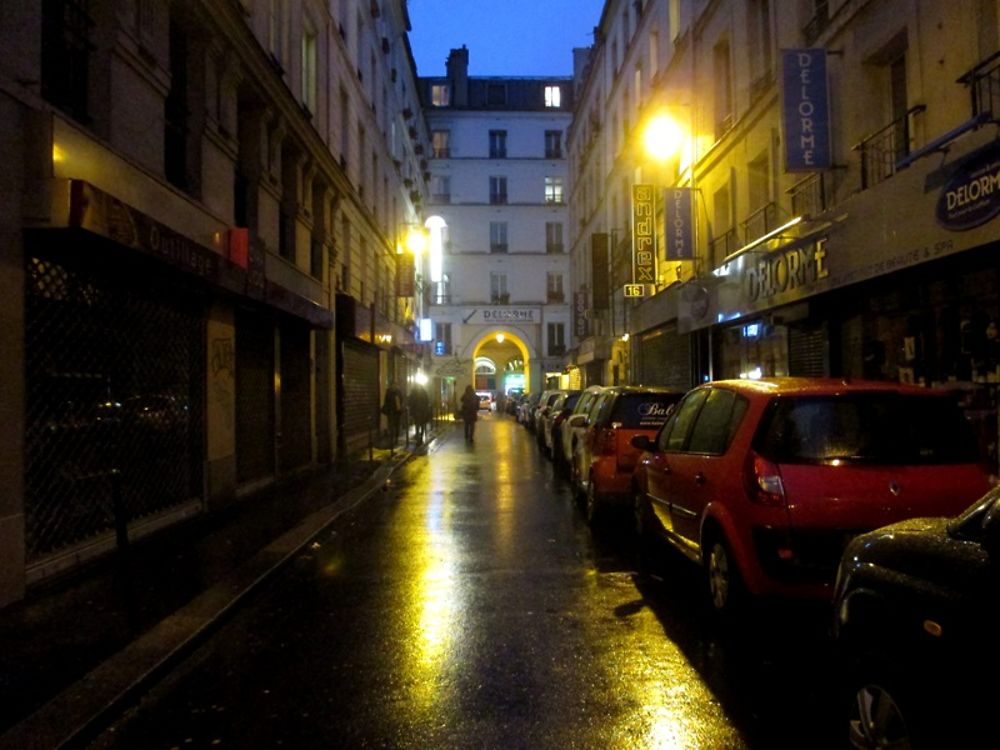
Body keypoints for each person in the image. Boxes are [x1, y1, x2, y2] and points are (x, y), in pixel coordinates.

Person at [381, 380, 403, 446]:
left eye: (395, 385)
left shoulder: (397, 392)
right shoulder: (390, 392)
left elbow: (401, 400)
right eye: (393, 385)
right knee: (391, 425)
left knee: (396, 426)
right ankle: (392, 438)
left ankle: (395, 438)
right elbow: (386, 401)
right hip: (391, 411)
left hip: (396, 412)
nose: (394, 386)